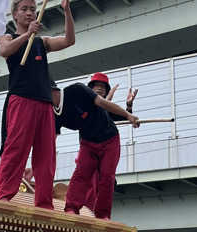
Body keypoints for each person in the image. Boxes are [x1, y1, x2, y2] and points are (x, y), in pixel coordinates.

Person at [0, 0, 75, 209]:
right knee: (16, 150)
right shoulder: (8, 36)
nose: (30, 13)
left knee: (46, 156)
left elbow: (69, 40)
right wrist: (27, 34)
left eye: (33, 9)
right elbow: (5, 51)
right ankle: (3, 197)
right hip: (21, 100)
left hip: (45, 104)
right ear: (15, 15)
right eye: (25, 9)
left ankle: (44, 204)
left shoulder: (42, 42)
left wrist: (67, 11)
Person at [52, 76, 140, 220]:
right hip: (88, 144)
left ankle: (103, 215)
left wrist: (128, 110)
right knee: (81, 175)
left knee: (107, 177)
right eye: (96, 86)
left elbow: (120, 114)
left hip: (110, 141)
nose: (100, 88)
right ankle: (71, 208)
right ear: (90, 89)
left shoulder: (92, 99)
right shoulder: (57, 112)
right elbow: (51, 140)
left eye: (103, 87)